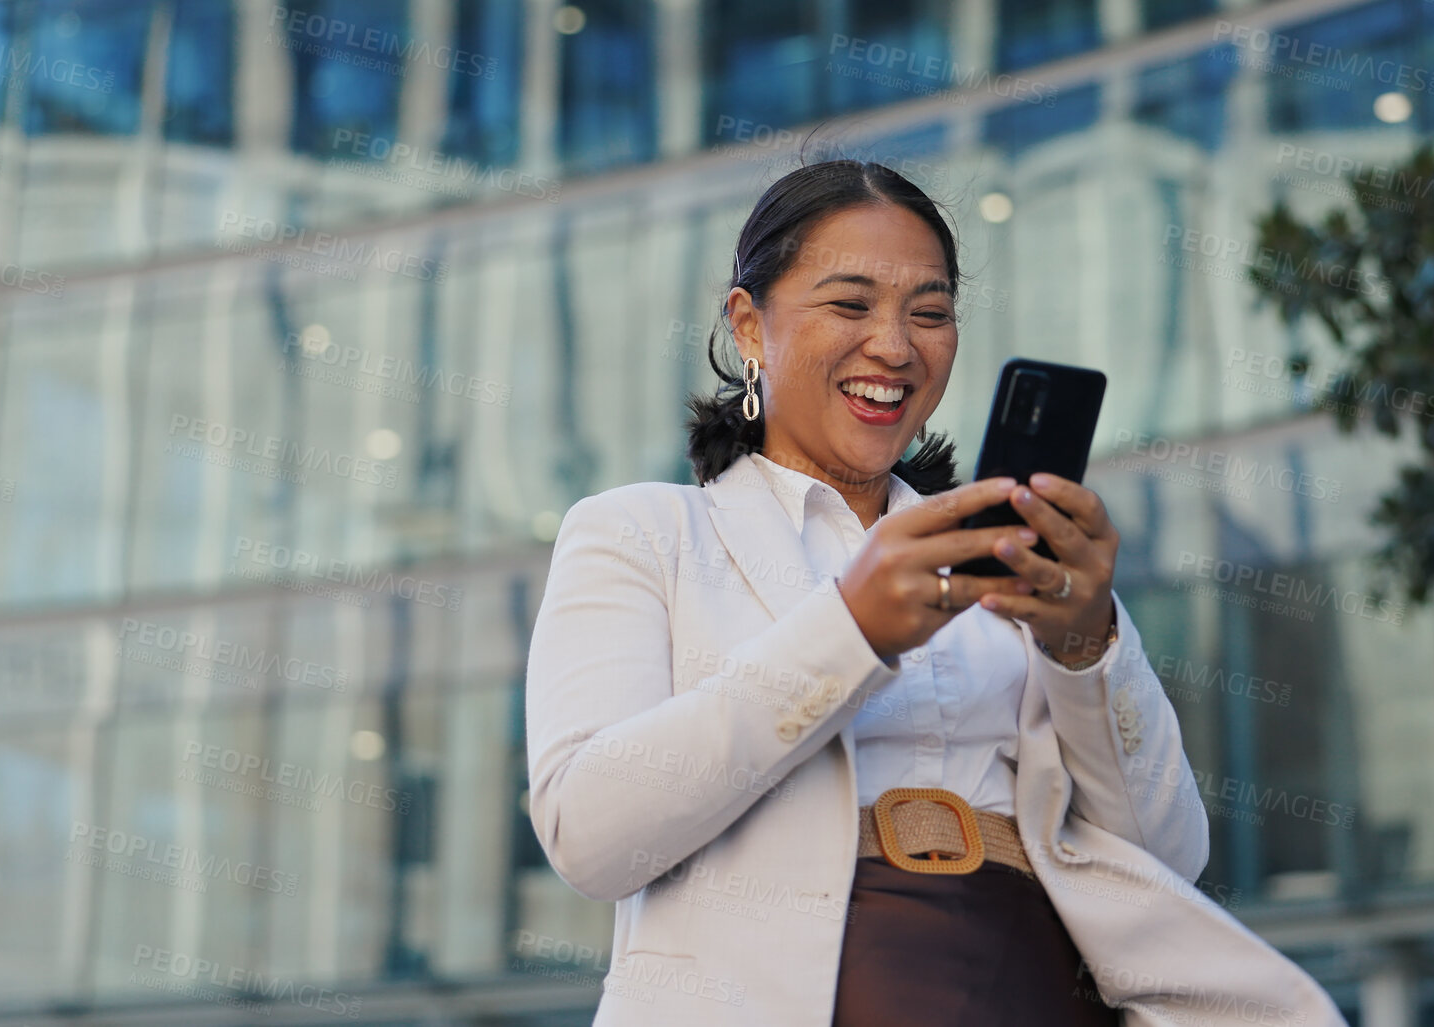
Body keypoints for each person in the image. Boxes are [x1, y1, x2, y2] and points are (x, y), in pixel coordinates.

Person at [524, 159, 1345, 1026]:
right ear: (748, 326)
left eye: (930, 312)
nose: (894, 345)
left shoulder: (1009, 554)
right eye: (849, 304)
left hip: (1028, 986)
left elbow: (1162, 859)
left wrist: (1085, 645)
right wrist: (851, 631)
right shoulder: (644, 533)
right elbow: (591, 834)